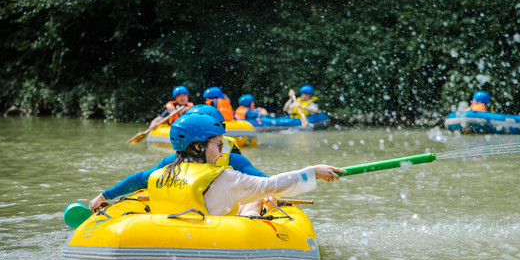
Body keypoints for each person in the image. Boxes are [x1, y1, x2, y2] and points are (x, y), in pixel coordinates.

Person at [146, 114, 345, 217]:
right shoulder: (225, 178)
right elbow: (271, 185)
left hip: (169, 245)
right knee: (254, 200)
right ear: (199, 146)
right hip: (208, 244)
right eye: (218, 145)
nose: (223, 151)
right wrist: (313, 172)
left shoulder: (161, 175)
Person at [89, 105, 265, 213]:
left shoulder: (232, 160)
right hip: (200, 218)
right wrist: (104, 195)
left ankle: (252, 214)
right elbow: (141, 180)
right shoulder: (171, 162)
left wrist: (104, 195)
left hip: (217, 217)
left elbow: (139, 180)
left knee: (254, 200)